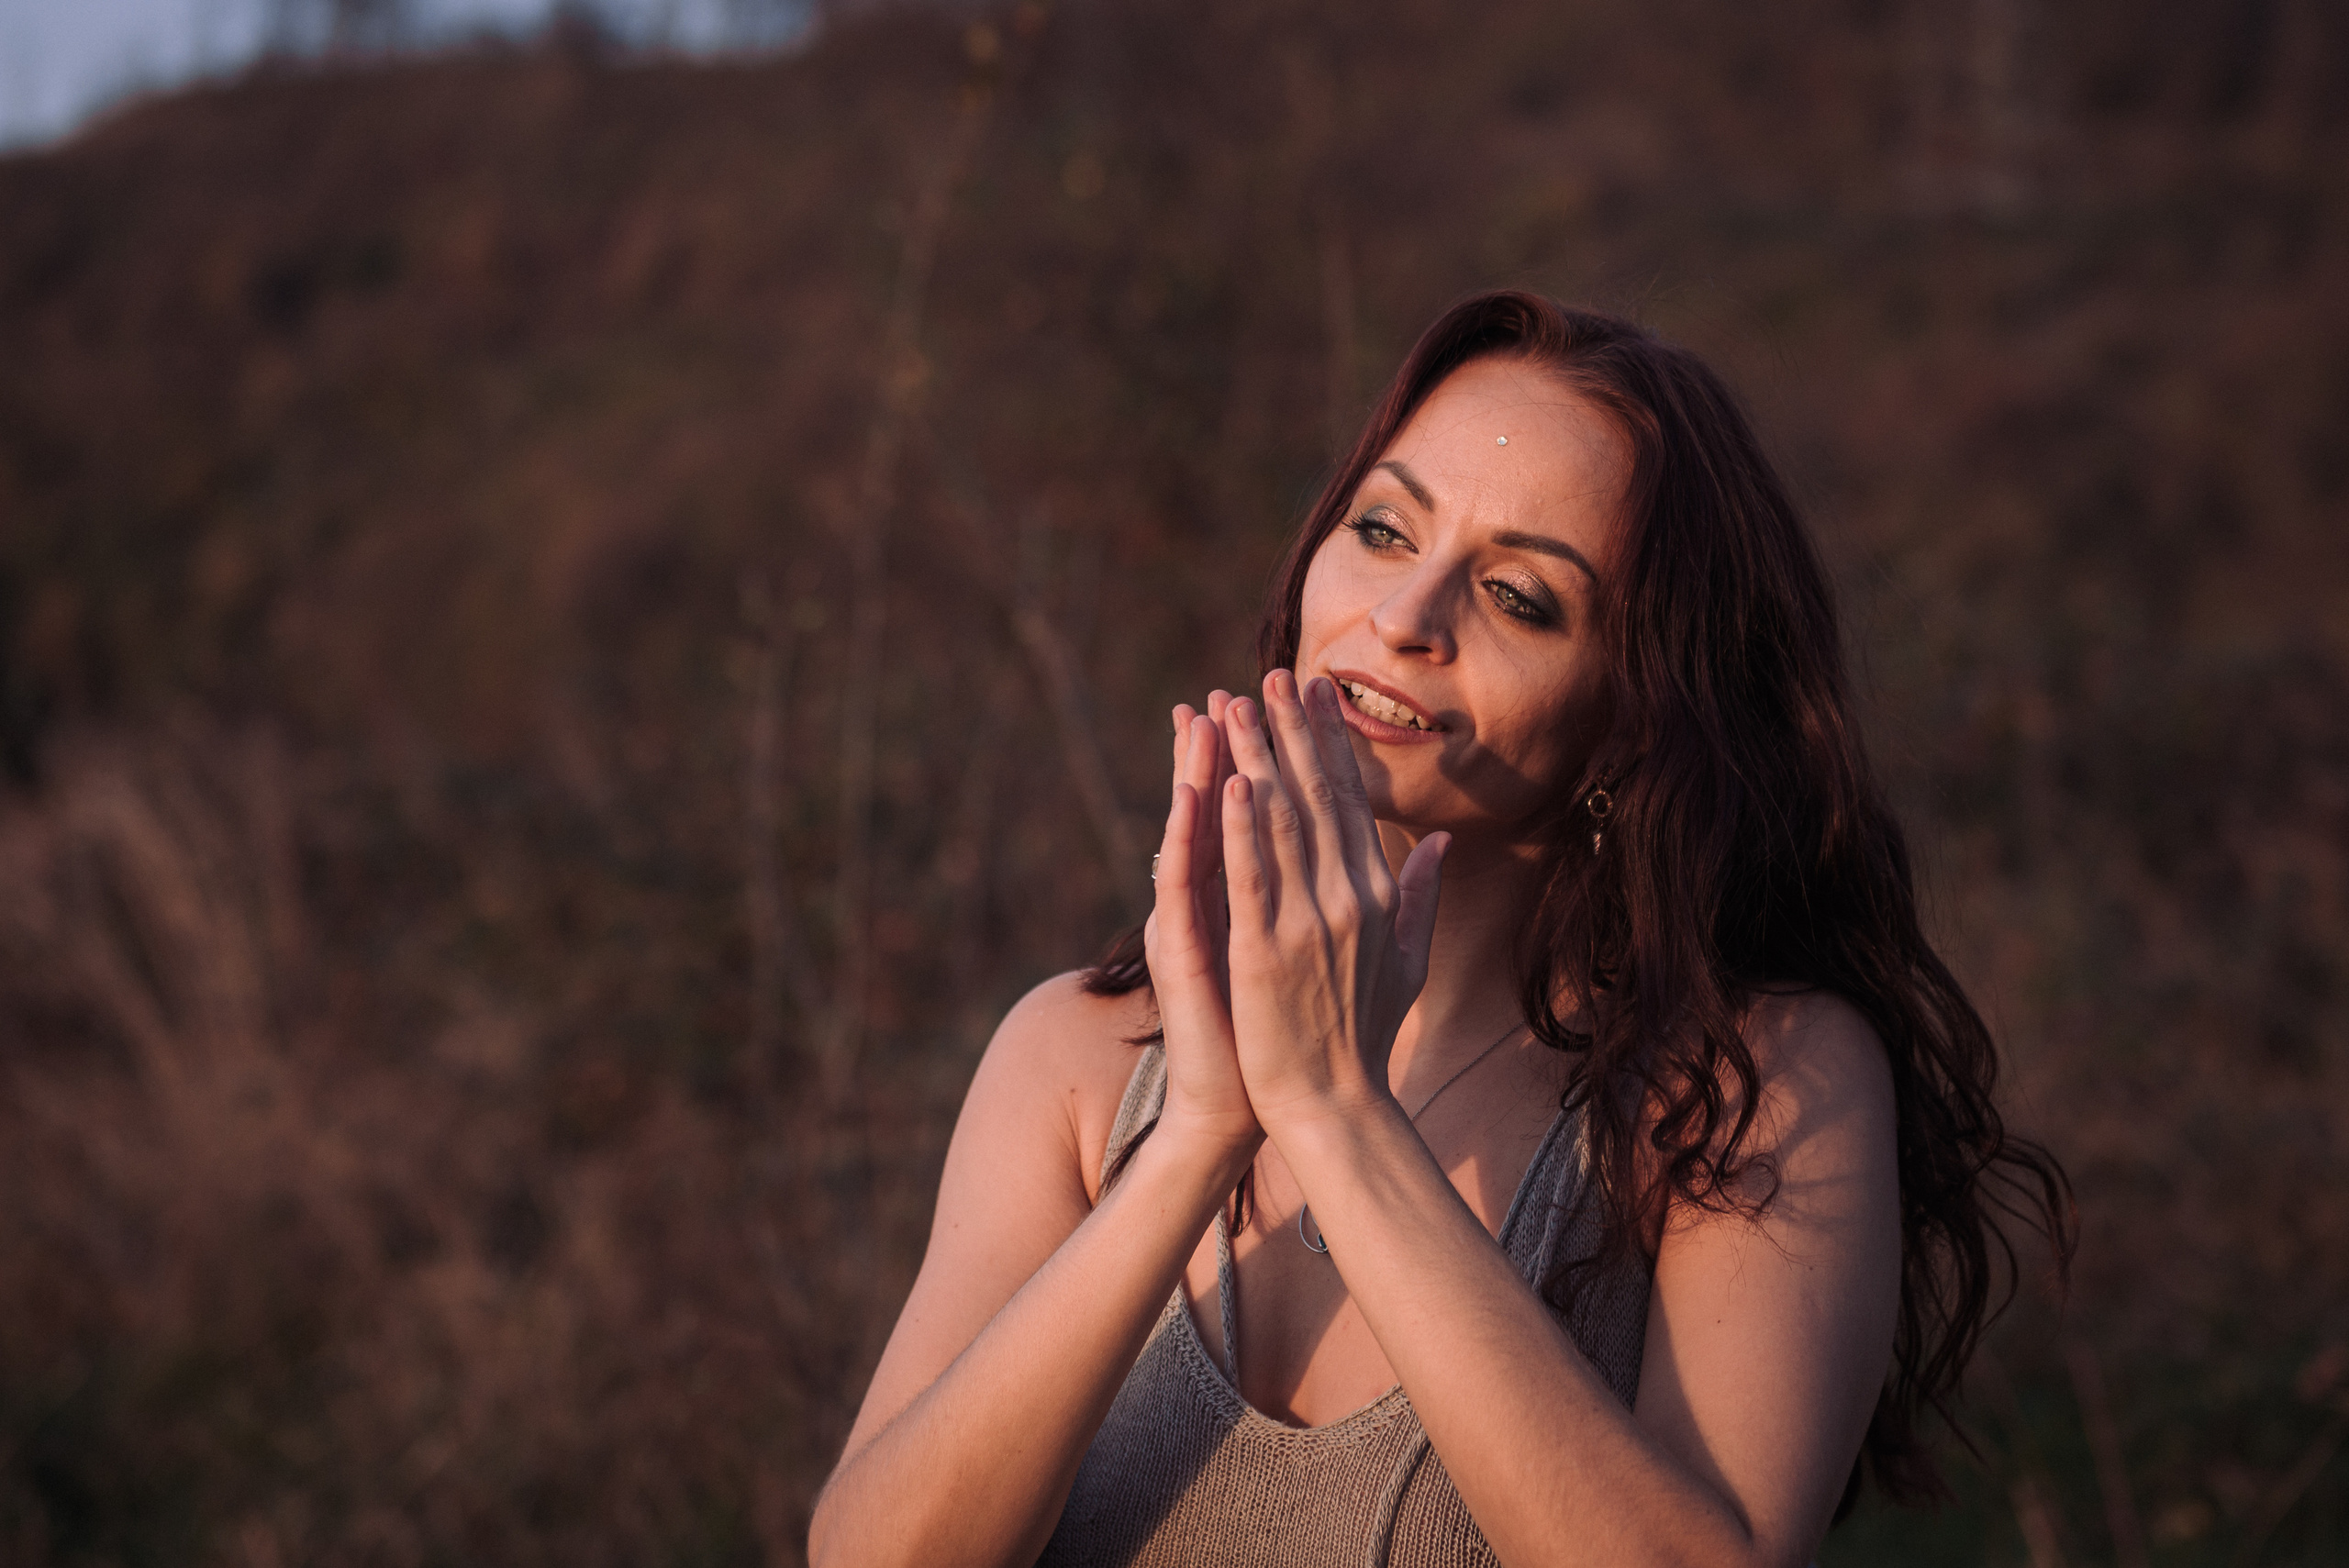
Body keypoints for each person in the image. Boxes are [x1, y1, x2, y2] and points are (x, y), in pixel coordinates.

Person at [807, 291, 2071, 1568]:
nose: (1404, 615)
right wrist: (1199, 1131)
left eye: (1519, 597)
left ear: (1640, 712)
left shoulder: (1748, 1088)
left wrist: (1338, 1112)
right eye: (1381, 528)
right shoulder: (1076, 1058)